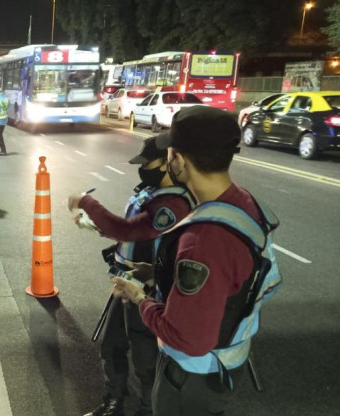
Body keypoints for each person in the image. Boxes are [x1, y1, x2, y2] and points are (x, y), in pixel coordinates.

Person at [111, 106, 280, 416]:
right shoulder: (243, 203)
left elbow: (187, 338)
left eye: (170, 152)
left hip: (191, 377)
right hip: (228, 362)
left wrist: (139, 297)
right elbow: (234, 281)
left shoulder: (204, 238)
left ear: (179, 160)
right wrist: (158, 275)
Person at [67, 136, 195, 416]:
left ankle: (147, 410)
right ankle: (113, 403)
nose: (143, 167)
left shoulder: (174, 203)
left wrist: (87, 203)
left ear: (168, 163)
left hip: (149, 291)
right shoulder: (150, 192)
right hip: (127, 283)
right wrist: (96, 226)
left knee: (145, 359)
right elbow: (129, 233)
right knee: (112, 345)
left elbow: (129, 230)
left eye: (148, 163)